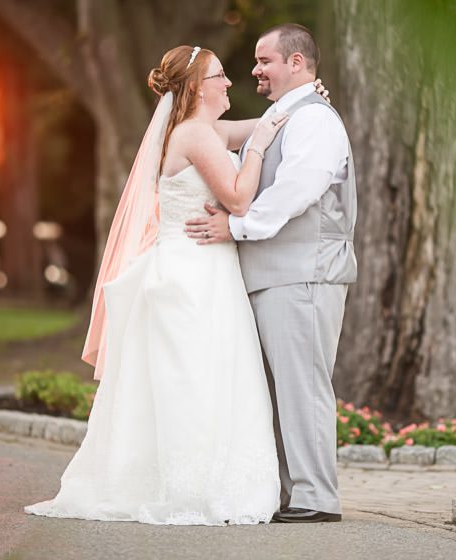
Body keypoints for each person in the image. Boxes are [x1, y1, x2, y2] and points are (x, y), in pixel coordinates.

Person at [24, 45, 309, 526]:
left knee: (210, 374)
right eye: (221, 76)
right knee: (193, 379)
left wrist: (300, 98)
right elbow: (239, 198)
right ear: (198, 87)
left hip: (208, 270)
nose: (230, 83)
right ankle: (189, 486)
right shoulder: (196, 135)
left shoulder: (205, 130)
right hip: (191, 275)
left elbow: (262, 121)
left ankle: (202, 478)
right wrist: (256, 148)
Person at [185, 23, 357, 523]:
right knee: (282, 389)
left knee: (303, 386)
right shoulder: (281, 116)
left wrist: (236, 227)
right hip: (275, 274)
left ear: (297, 63)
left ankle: (315, 497)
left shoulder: (315, 121)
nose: (255, 70)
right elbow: (218, 134)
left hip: (304, 273)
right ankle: (292, 491)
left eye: (265, 61)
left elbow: (297, 189)